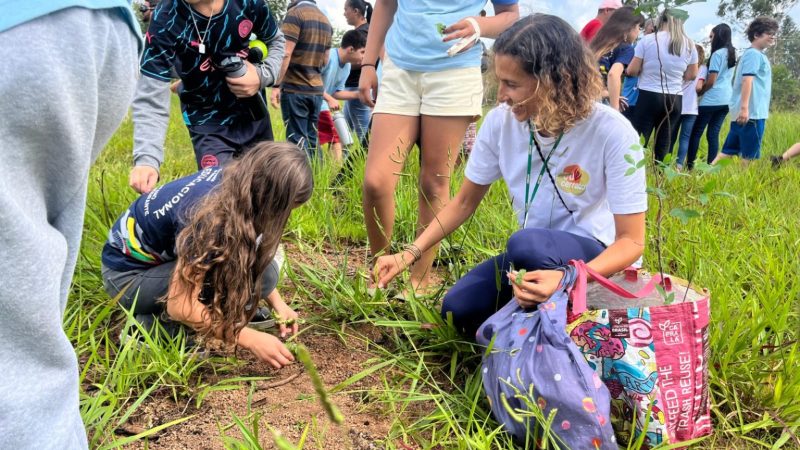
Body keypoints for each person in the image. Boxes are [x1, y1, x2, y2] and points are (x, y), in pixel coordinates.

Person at [373, 14, 647, 338]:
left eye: (512, 84)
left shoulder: (611, 132)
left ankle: (551, 318)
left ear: (554, 81)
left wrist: (568, 278)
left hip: (595, 258)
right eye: (500, 81)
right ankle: (530, 318)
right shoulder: (500, 123)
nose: (501, 95)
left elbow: (631, 241)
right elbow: (463, 202)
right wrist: (410, 253)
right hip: (534, 256)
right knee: (457, 311)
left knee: (527, 245)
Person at [0, 4, 140, 448]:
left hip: (25, 35)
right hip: (103, 31)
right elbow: (182, 291)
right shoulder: (209, 219)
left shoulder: (222, 197)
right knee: (18, 341)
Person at [101, 142, 312, 369]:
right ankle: (149, 327)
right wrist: (248, 338)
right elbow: (180, 304)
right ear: (270, 198)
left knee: (266, 274)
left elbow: (251, 255)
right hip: (127, 278)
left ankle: (214, 316)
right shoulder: (211, 217)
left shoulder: (240, 184)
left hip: (162, 264)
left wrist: (279, 304)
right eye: (285, 209)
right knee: (212, 280)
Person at [359, 0, 519, 294]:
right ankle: (380, 271)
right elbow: (385, 4)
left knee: (433, 184)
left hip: (454, 70)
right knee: (375, 182)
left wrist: (478, 25)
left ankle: (419, 280)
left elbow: (510, 16)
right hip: (399, 67)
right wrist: (369, 64)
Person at [129, 0, 285, 195]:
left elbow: (276, 41)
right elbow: (151, 94)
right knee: (221, 194)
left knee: (266, 189)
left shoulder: (249, 4)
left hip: (253, 113)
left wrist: (262, 76)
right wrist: (147, 158)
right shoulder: (165, 17)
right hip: (205, 120)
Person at [626, 9, 698, 162]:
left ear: (661, 20)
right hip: (675, 98)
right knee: (664, 144)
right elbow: (692, 75)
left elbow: (632, 70)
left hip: (648, 96)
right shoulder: (689, 44)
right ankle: (660, 173)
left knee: (639, 142)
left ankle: (635, 172)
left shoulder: (648, 40)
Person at [270, 0, 333, 158]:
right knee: (312, 138)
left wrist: (276, 85)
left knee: (296, 141)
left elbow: (285, 53)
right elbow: (325, 59)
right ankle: (318, 172)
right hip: (316, 91)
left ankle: (301, 174)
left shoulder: (295, 14)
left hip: (295, 88)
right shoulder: (325, 20)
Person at [713, 17, 779, 164]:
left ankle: (704, 175)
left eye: (774, 33)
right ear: (756, 35)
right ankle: (744, 179)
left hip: (746, 113)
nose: (773, 36)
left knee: (728, 151)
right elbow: (747, 80)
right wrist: (744, 109)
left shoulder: (754, 54)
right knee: (749, 156)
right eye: (769, 33)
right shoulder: (754, 54)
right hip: (752, 114)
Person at [685, 23, 736, 169]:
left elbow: (712, 81)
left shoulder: (717, 54)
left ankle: (690, 166)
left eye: (711, 36)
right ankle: (711, 167)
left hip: (711, 100)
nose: (710, 39)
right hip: (726, 99)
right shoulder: (732, 53)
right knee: (713, 134)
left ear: (718, 36)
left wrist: (700, 92)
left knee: (696, 133)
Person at [320, 30, 367, 164]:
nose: (364, 57)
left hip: (322, 105)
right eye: (362, 52)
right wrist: (329, 99)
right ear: (351, 49)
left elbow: (335, 92)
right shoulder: (328, 57)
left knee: (334, 139)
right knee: (336, 139)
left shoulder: (347, 67)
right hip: (312, 101)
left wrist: (359, 94)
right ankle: (336, 172)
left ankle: (326, 169)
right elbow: (311, 81)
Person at [590, 6, 644, 111]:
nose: (639, 32)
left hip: (581, 98)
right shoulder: (626, 49)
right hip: (598, 105)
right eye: (639, 27)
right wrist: (615, 110)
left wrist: (609, 94)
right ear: (629, 27)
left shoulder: (597, 44)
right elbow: (613, 75)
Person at [342, 0, 374, 144]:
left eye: (346, 9)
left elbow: (362, 61)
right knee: (343, 133)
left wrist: (342, 61)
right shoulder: (368, 31)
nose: (344, 14)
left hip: (358, 85)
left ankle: (367, 158)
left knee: (364, 137)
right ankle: (341, 158)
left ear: (356, 11)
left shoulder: (361, 34)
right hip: (355, 86)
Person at [674, 44, 706, 169]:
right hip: (691, 108)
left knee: (671, 136)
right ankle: (679, 166)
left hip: (677, 105)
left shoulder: (682, 65)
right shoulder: (703, 69)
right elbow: (699, 87)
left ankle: (664, 164)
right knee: (685, 138)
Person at [620, 18, 655, 122]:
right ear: (645, 30)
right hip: (630, 98)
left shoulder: (657, 51)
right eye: (652, 29)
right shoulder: (636, 47)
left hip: (645, 100)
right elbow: (625, 71)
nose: (654, 32)